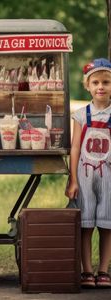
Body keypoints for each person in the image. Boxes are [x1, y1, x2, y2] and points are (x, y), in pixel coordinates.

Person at [66, 58, 111, 288]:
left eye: (106, 82)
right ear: (88, 86)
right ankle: (87, 270)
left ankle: (103, 270)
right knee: (85, 224)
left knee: (107, 223)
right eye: (96, 82)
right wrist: (73, 179)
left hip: (108, 177)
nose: (101, 87)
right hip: (84, 176)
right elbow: (75, 147)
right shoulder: (81, 115)